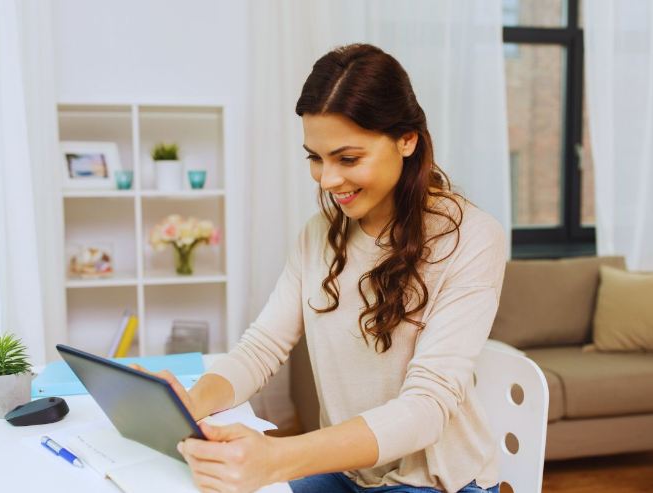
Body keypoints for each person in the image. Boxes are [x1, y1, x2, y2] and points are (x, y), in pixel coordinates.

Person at [132, 43, 506, 493]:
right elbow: (261, 348)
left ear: (407, 139)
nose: (328, 181)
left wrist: (277, 459)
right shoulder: (320, 233)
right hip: (349, 474)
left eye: (348, 159)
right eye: (315, 157)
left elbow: (426, 409)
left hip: (432, 482)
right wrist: (190, 405)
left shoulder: (471, 237)